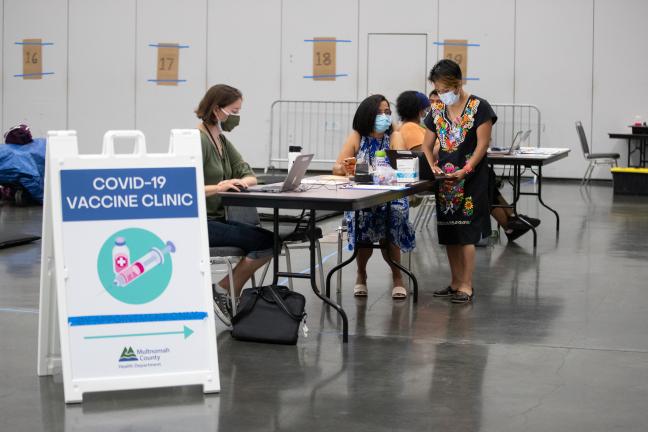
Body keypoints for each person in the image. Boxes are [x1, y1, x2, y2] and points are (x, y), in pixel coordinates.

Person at [195, 84, 274, 326]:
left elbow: (249, 174)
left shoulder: (221, 141)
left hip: (220, 219)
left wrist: (239, 181)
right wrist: (218, 187)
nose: (237, 117)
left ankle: (225, 290)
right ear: (217, 110)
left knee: (267, 240)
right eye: (234, 111)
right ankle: (224, 291)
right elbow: (186, 188)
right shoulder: (199, 141)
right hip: (201, 223)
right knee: (266, 241)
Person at [421, 59, 496, 303]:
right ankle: (454, 282)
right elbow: (427, 142)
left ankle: (467, 284)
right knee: (450, 232)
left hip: (471, 178)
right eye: (438, 90)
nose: (442, 95)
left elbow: (483, 144)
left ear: (458, 84)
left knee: (467, 232)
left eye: (446, 90)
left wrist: (467, 168)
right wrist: (432, 164)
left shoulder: (479, 107)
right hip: (446, 180)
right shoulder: (437, 110)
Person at [332, 94, 415, 299]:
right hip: (363, 194)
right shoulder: (357, 137)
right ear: (368, 114)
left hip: (391, 194)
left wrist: (395, 133)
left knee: (394, 214)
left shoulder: (394, 136)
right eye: (380, 112)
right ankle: (361, 274)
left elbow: (403, 164)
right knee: (362, 216)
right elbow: (336, 167)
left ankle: (397, 277)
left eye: (387, 112)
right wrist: (345, 168)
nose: (385, 116)